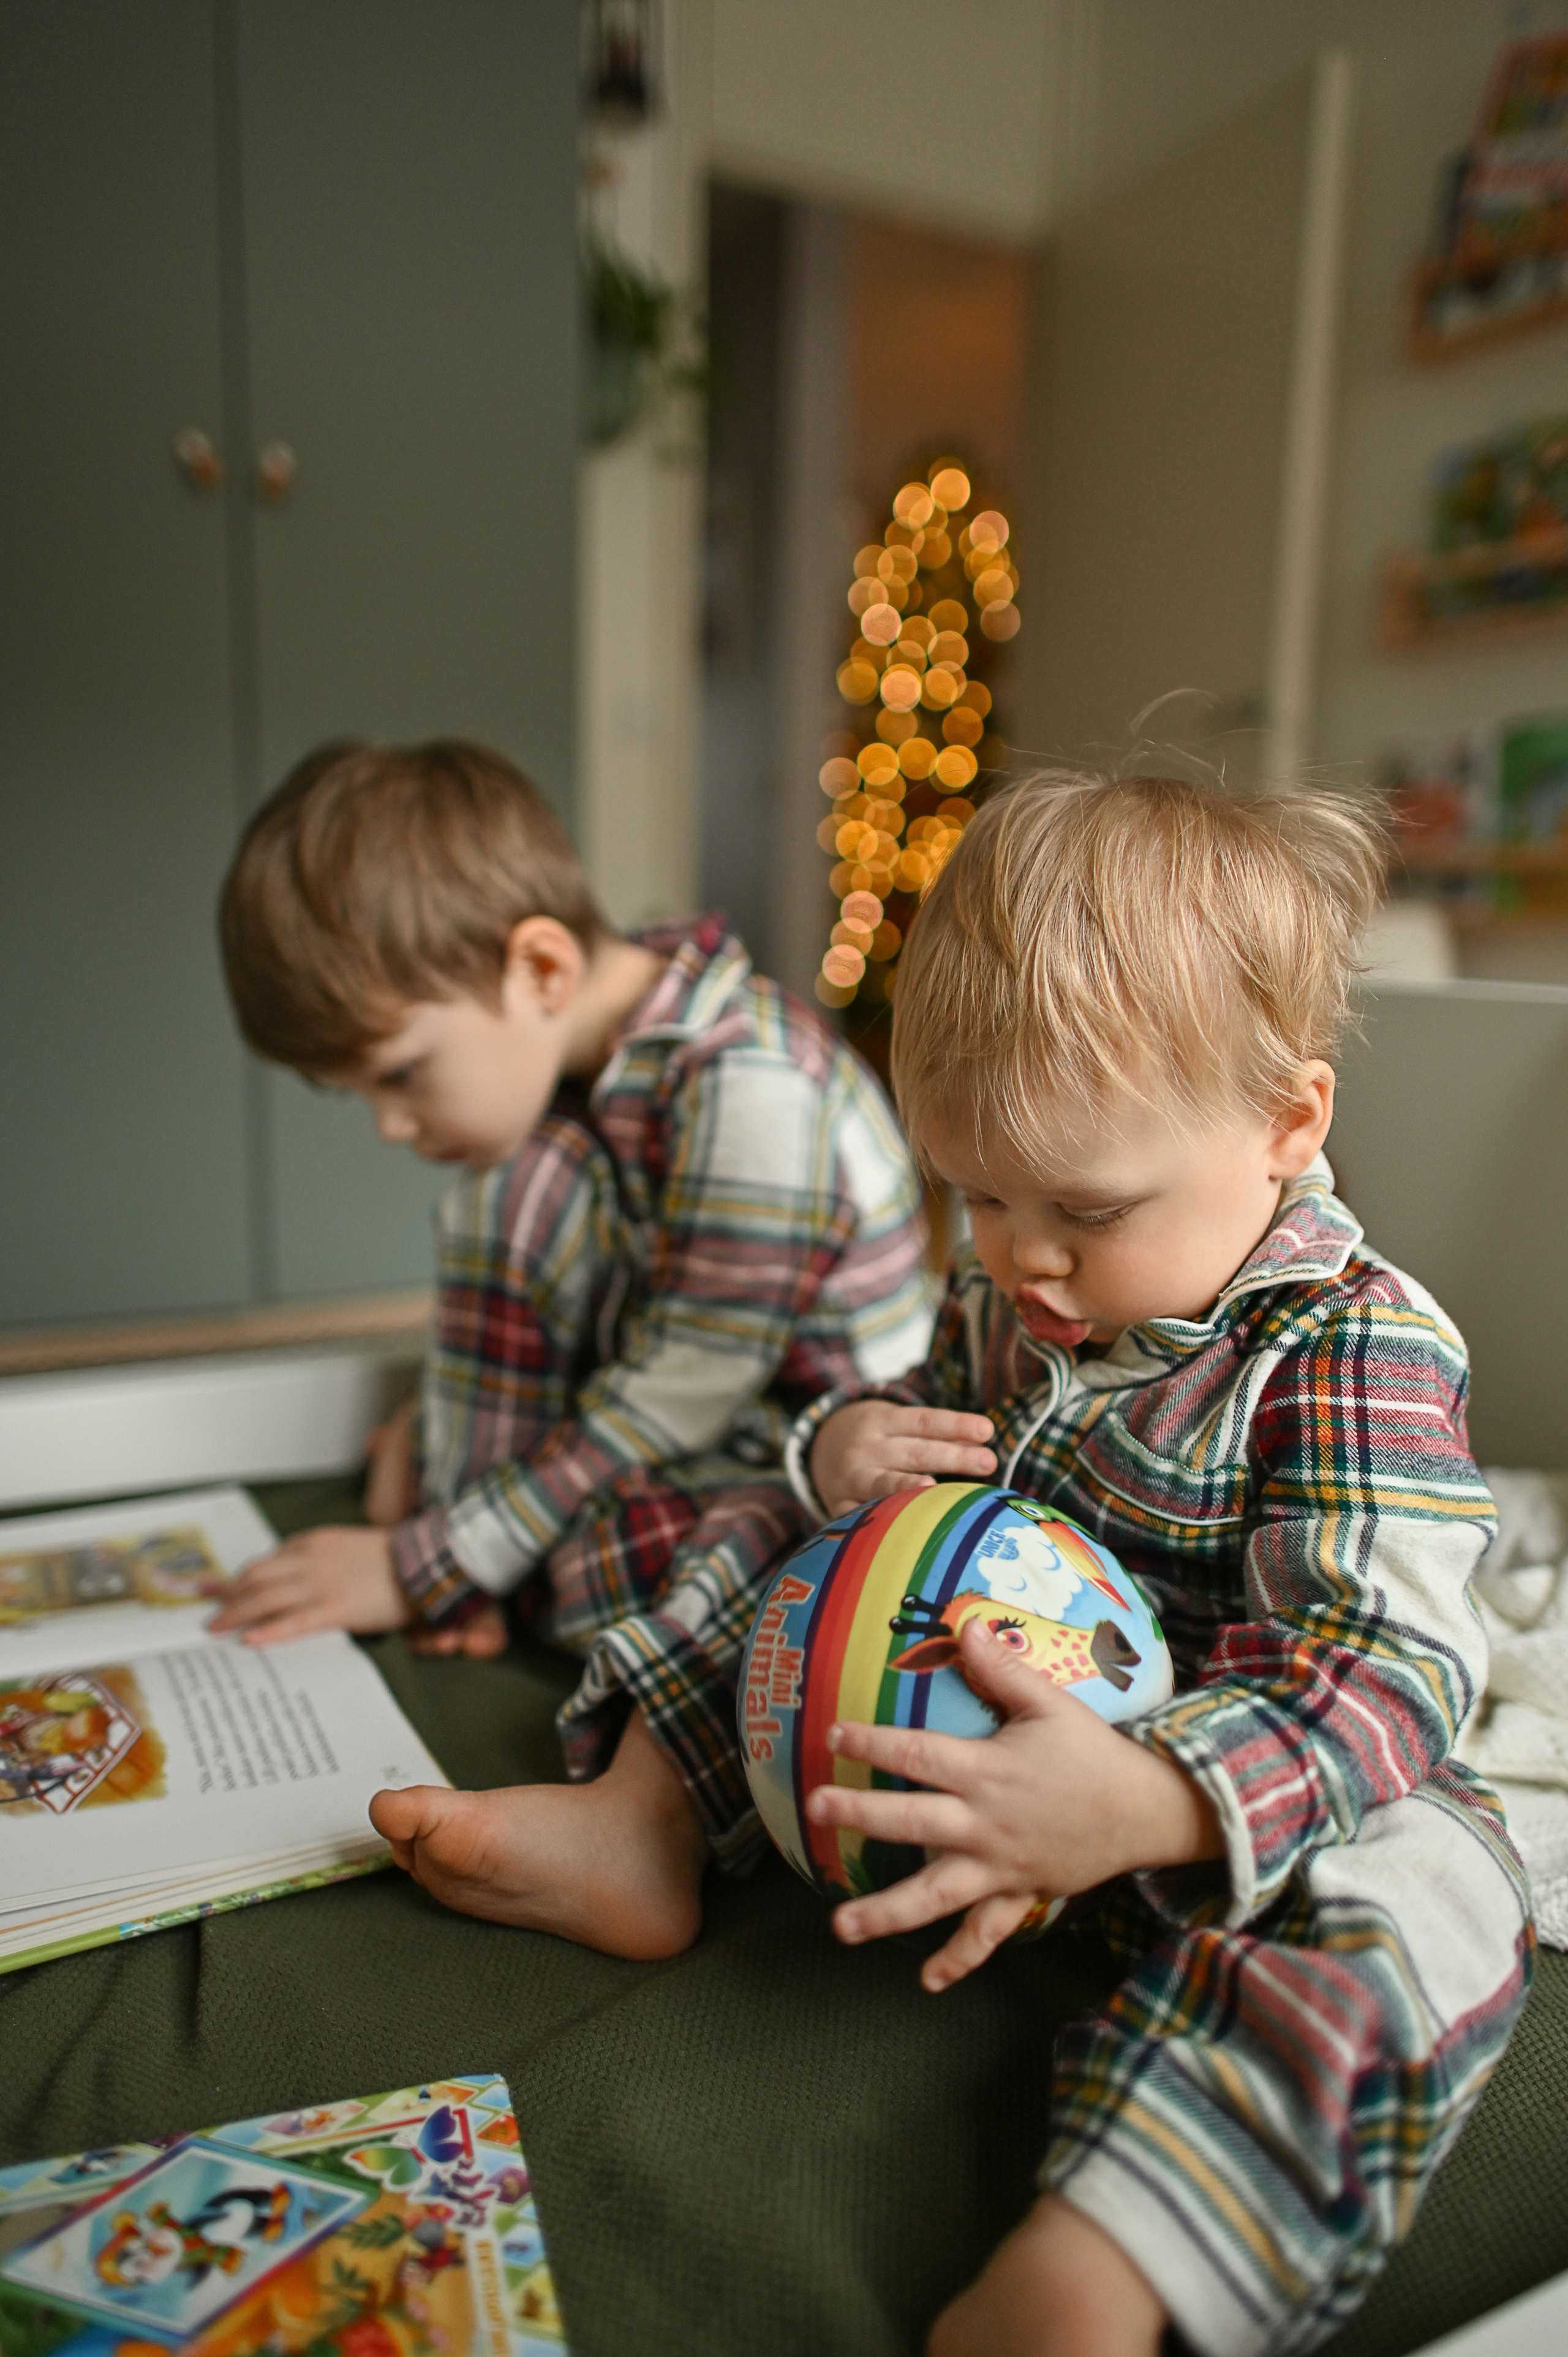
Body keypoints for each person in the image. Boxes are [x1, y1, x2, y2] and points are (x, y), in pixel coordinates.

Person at [786, 771, 1533, 2357]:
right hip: (1001, 1706)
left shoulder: (1357, 1347)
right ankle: (638, 1817)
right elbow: (923, 1439)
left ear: (1287, 1125)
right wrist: (849, 1447)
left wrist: (1156, 1801)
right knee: (759, 1528)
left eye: (1083, 1208)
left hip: (1237, 1763)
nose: (1020, 1257)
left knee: (1432, 1889)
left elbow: (1384, 1673)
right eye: (974, 1194)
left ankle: (1111, 2258)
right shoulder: (1021, 1289)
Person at [212, 738, 932, 1959]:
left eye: (398, 1074)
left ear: (539, 963)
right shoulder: (577, 1069)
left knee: (767, 1550)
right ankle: (479, 1526)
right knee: (515, 1185)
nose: (390, 1124)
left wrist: (423, 1559)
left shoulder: (749, 1086)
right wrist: (458, 1525)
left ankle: (639, 1827)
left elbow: (674, 1398)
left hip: (824, 1470)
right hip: (666, 1443)